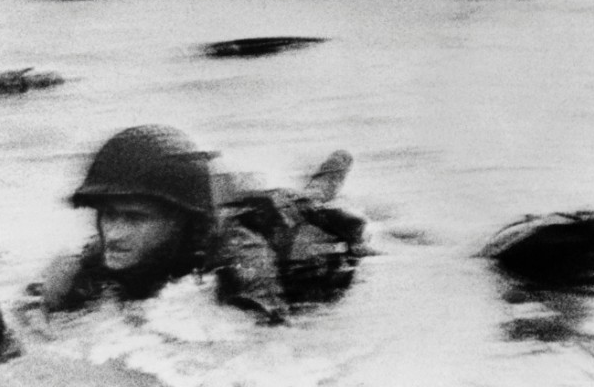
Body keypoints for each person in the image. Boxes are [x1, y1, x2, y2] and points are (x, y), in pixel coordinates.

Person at [32, 124, 367, 324]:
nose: (114, 233)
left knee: (312, 205)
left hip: (291, 244)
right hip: (219, 205)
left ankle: (333, 172)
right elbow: (39, 305)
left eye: (134, 217)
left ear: (180, 217)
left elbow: (267, 344)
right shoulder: (106, 250)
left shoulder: (240, 252)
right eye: (108, 214)